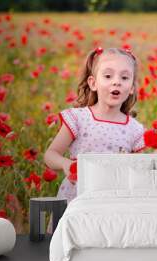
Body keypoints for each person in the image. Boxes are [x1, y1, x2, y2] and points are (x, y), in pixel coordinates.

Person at [43, 47, 147, 232]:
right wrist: (66, 164)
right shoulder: (79, 119)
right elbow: (50, 155)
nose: (116, 82)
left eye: (124, 78)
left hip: (114, 204)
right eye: (108, 76)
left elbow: (139, 171)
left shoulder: (135, 130)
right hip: (76, 197)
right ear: (93, 83)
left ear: (131, 88)